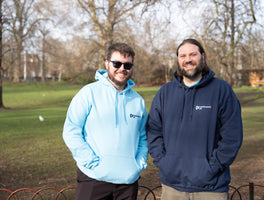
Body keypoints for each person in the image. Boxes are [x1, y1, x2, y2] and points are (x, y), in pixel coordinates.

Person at [146, 38, 243, 200]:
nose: (188, 60)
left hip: (211, 188)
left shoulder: (222, 90)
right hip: (172, 187)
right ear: (178, 60)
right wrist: (165, 163)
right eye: (182, 56)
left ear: (203, 56)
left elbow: (232, 137)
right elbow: (153, 131)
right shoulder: (165, 92)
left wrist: (212, 168)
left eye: (193, 54)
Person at [63, 43, 148, 200]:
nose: (122, 68)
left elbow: (143, 137)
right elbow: (71, 130)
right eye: (117, 63)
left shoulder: (138, 101)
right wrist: (90, 161)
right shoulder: (88, 93)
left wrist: (138, 164)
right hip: (93, 179)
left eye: (127, 65)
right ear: (107, 63)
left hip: (128, 183)